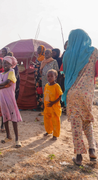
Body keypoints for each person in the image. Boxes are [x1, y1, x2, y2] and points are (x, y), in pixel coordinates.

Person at [62, 29, 97, 165]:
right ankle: (92, 149)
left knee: (76, 124)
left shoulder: (67, 54)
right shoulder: (93, 52)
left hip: (72, 92)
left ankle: (78, 157)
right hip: (87, 93)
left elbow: (65, 71)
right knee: (88, 120)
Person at [0, 56, 22, 148]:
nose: (5, 65)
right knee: (5, 117)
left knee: (13, 118)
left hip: (10, 98)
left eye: (7, 63)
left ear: (11, 65)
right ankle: (8, 136)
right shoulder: (0, 75)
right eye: (4, 63)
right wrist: (4, 85)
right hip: (2, 98)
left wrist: (1, 85)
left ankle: (17, 139)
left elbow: (8, 81)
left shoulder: (12, 72)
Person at [43, 69, 63, 140]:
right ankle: (48, 131)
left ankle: (55, 134)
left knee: (55, 121)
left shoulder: (56, 86)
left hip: (54, 108)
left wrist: (53, 103)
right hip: (47, 108)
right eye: (48, 76)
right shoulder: (46, 85)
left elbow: (60, 96)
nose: (50, 78)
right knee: (47, 120)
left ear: (56, 77)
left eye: (52, 76)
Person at [31, 45, 45, 111]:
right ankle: (39, 106)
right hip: (36, 77)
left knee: (42, 91)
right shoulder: (38, 58)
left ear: (43, 50)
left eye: (39, 49)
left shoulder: (44, 58)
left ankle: (43, 106)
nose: (38, 50)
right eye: (37, 49)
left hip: (41, 77)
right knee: (38, 91)